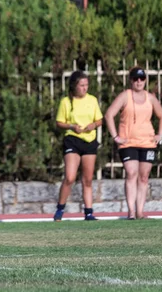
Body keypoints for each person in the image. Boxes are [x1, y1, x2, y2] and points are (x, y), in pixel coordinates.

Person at [104, 67, 162, 220]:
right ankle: (131, 212)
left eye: (142, 79)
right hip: (128, 142)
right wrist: (116, 137)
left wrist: (160, 134)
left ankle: (140, 212)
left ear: (145, 80)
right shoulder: (125, 96)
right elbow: (109, 115)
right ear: (131, 80)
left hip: (148, 142)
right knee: (132, 173)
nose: (139, 82)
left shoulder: (150, 98)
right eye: (135, 79)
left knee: (144, 176)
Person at [53, 71, 102, 221]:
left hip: (89, 141)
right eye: (81, 85)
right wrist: (72, 126)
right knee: (70, 177)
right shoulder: (66, 102)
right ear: (74, 86)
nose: (84, 88)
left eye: (86, 85)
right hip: (72, 140)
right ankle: (60, 209)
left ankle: (88, 212)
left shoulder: (92, 100)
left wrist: (93, 125)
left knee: (87, 179)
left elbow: (99, 120)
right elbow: (59, 122)